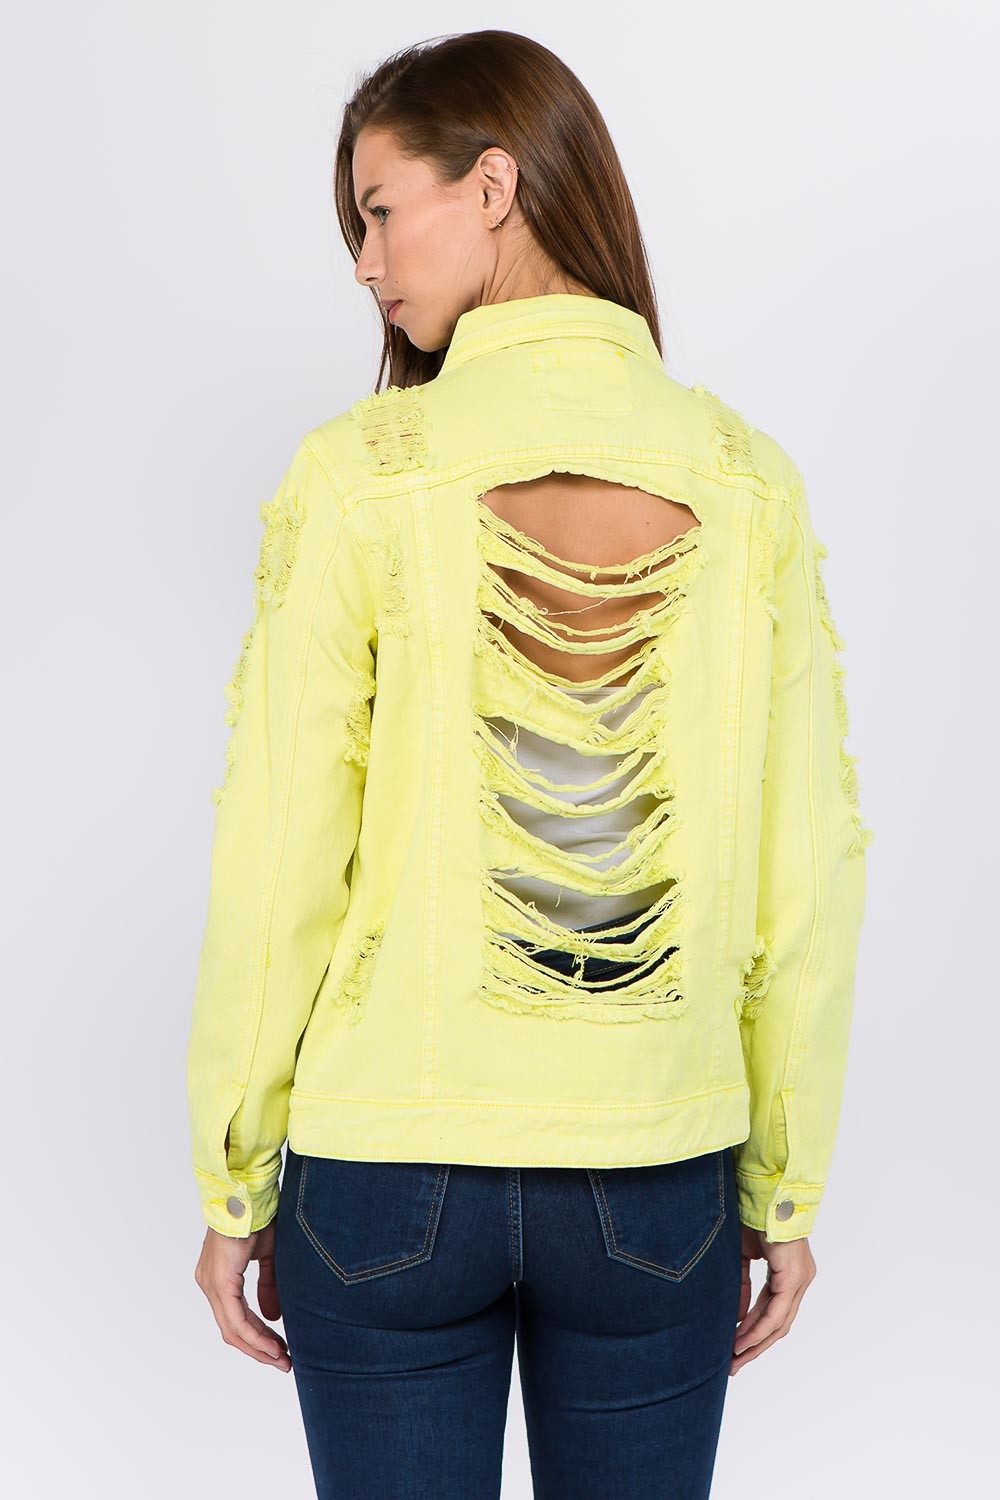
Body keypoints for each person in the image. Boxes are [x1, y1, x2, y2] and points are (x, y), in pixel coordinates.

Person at [186, 29, 871, 1500]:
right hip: (659, 1169)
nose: (367, 265)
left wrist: (235, 1176)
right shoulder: (747, 482)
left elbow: (280, 853)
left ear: (492, 185)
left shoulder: (362, 475)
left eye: (380, 211)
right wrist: (784, 1176)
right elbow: (808, 862)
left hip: (387, 1170)